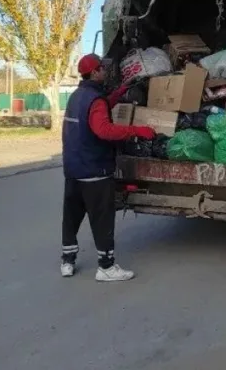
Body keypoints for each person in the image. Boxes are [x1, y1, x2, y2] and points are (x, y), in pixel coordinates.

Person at [60, 53, 156, 281]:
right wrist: (137, 131)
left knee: (71, 217)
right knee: (102, 219)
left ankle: (67, 261)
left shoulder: (77, 96)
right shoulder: (95, 101)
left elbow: (93, 114)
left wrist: (118, 94)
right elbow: (103, 130)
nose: (105, 70)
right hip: (94, 170)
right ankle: (106, 267)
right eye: (102, 68)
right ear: (94, 73)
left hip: (73, 170)